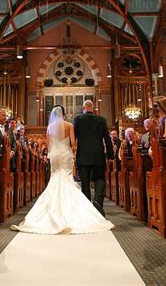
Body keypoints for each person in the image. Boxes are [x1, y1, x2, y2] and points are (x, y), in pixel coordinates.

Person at [10, 105, 114, 234]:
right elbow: (72, 142)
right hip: (66, 154)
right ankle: (85, 208)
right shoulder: (69, 125)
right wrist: (71, 149)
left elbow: (48, 145)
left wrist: (56, 147)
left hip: (55, 156)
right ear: (64, 114)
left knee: (55, 178)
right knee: (67, 177)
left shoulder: (50, 127)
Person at [74, 100, 114, 216]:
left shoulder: (78, 120)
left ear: (83, 108)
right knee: (100, 179)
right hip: (98, 155)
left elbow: (74, 137)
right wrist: (110, 155)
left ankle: (87, 209)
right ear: (93, 108)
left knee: (85, 183)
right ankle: (98, 201)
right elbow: (107, 138)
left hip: (83, 156)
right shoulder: (101, 120)